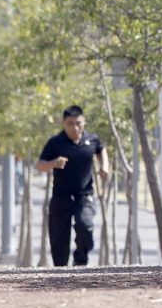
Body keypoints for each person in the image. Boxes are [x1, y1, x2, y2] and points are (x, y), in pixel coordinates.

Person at [36, 105, 109, 267]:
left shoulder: (91, 140)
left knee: (85, 225)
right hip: (61, 196)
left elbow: (101, 150)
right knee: (59, 239)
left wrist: (104, 165)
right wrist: (53, 163)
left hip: (84, 195)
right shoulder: (56, 143)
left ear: (84, 122)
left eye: (78, 123)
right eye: (70, 124)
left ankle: (80, 259)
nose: (75, 127)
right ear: (63, 123)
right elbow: (39, 165)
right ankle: (60, 272)